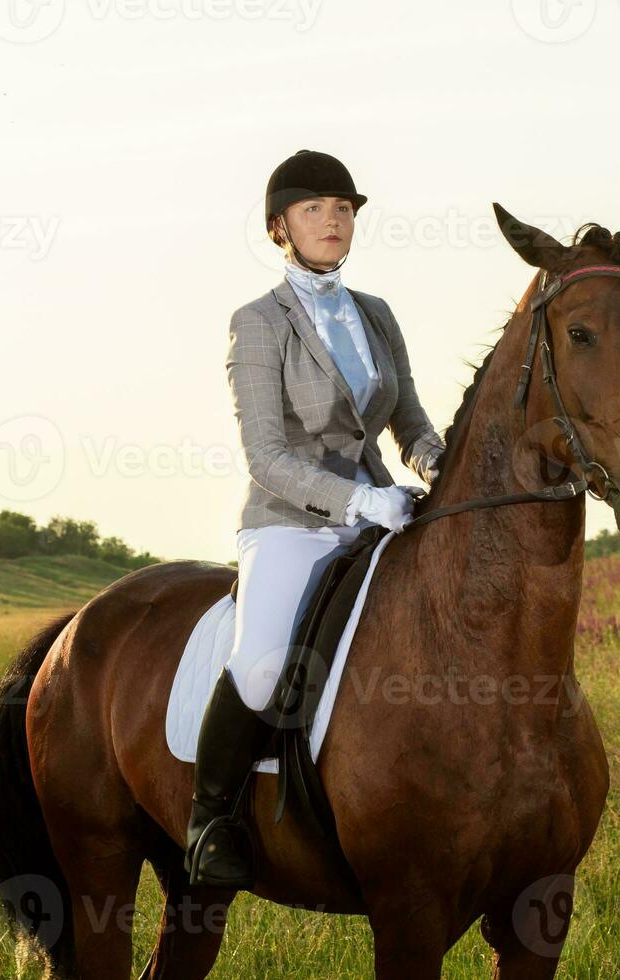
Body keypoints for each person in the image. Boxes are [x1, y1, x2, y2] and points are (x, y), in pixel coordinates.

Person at [184, 149, 447, 888]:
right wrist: (360, 500)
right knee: (264, 658)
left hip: (381, 515)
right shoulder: (258, 323)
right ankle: (210, 819)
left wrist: (441, 467)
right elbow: (266, 455)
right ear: (280, 228)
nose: (332, 222)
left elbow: (411, 425)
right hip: (289, 523)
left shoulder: (377, 315)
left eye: (344, 209)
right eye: (314, 210)